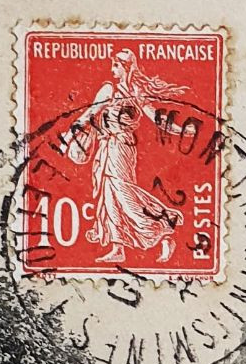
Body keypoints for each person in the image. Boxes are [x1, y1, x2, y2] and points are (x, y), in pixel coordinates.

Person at [58, 48, 187, 264]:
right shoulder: (108, 90)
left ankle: (165, 229)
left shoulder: (136, 91)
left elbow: (155, 117)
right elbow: (88, 115)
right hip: (106, 147)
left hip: (124, 147)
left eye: (116, 65)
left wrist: (180, 130)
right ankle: (118, 247)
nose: (112, 69)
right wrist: (68, 137)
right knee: (109, 196)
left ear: (126, 67)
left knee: (124, 194)